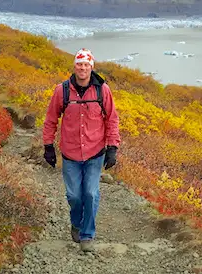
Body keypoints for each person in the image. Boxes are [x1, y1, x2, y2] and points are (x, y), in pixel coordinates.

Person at [42, 48, 121, 253]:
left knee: (91, 193)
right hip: (70, 153)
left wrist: (112, 147)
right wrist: (48, 145)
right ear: (74, 66)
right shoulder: (63, 90)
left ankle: (87, 235)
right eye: (79, 64)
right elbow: (51, 119)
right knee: (74, 196)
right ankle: (76, 223)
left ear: (91, 67)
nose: (82, 68)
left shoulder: (103, 90)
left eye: (86, 65)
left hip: (95, 152)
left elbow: (111, 119)